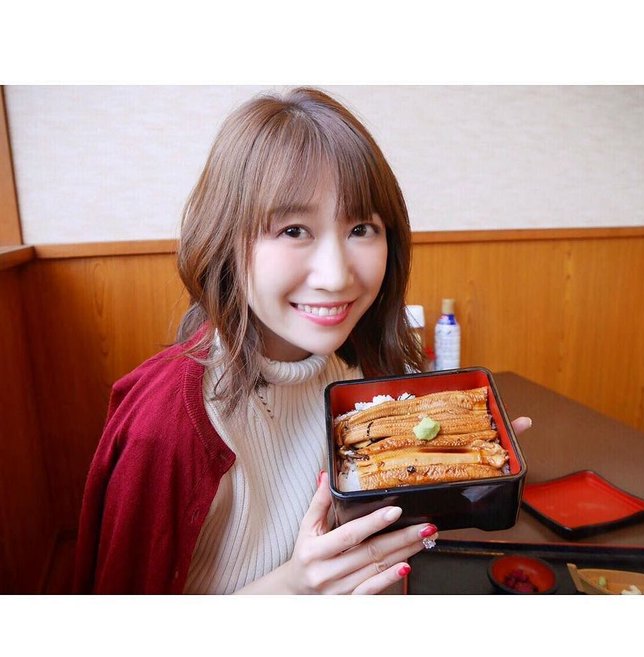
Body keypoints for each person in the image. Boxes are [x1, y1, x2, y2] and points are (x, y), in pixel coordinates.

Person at [73, 87, 530, 594]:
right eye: (293, 230)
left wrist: (459, 475)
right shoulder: (169, 425)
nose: (336, 277)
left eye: (361, 227)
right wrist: (293, 588)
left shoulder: (355, 363)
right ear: (224, 238)